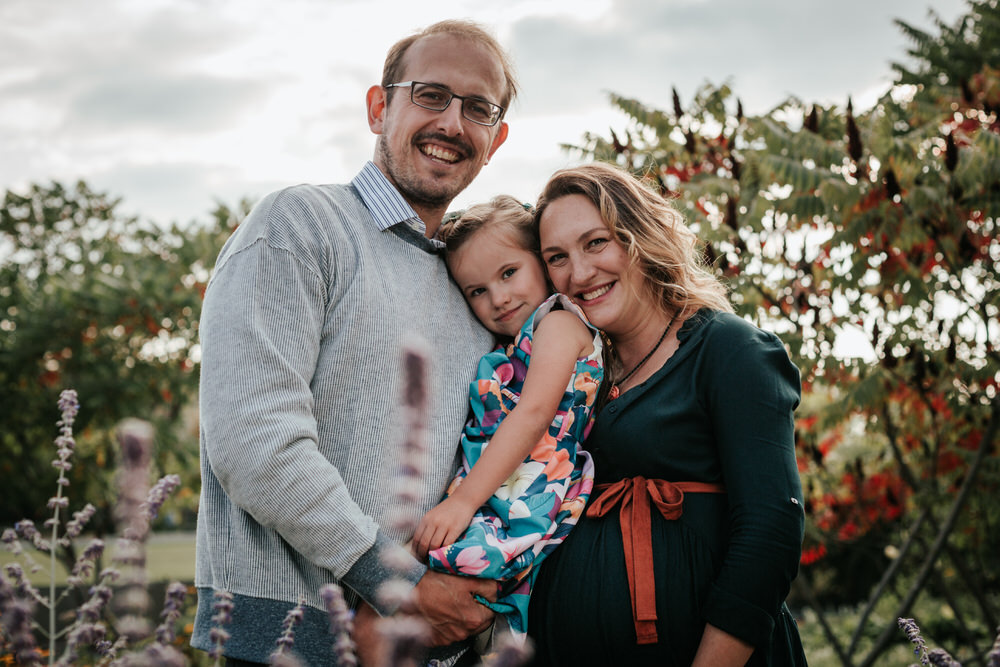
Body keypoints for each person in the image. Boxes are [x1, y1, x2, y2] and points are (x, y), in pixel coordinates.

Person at [191, 20, 518, 666]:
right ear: (379, 107)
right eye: (431, 95)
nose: (453, 122)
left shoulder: (474, 286)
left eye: (478, 108)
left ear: (496, 139)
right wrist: (402, 585)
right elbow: (256, 443)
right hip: (291, 642)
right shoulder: (300, 225)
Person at [526, 162, 808, 667]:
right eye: (556, 257)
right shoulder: (576, 373)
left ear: (640, 236)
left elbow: (770, 532)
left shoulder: (728, 349)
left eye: (596, 243)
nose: (579, 272)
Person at [411, 196, 604, 645]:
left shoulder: (557, 324)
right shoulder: (518, 339)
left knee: (437, 585)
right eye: (477, 290)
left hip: (528, 486)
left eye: (508, 273)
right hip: (500, 482)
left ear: (541, 260)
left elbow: (534, 413)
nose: (498, 298)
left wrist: (461, 503)